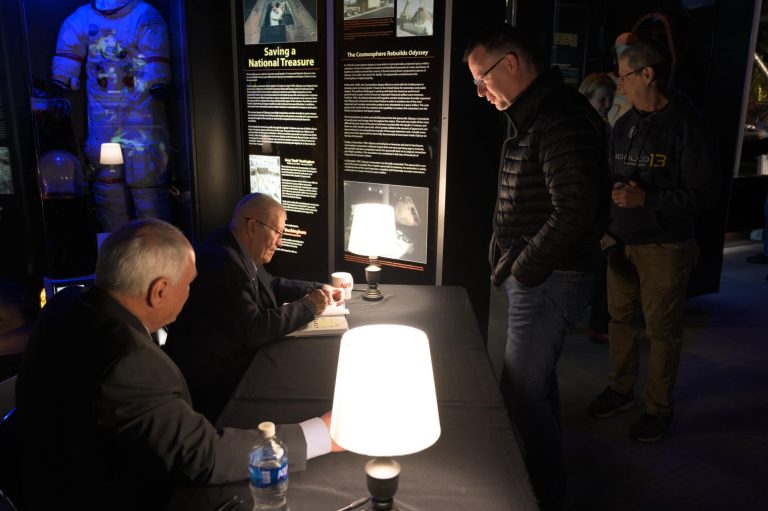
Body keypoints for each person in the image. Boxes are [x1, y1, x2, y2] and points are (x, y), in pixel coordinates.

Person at [15, 219, 339, 510]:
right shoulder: (130, 365)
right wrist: (322, 434)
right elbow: (205, 456)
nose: (191, 292)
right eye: (188, 284)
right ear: (159, 291)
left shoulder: (66, 301)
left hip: (39, 463)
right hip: (99, 493)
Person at [464, 23, 609, 510]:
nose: (480, 91)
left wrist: (524, 267)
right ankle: (548, 481)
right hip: (542, 277)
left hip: (549, 278)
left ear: (510, 62)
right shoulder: (538, 114)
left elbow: (575, 209)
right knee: (537, 386)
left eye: (482, 78)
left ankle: (543, 493)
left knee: (522, 393)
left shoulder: (558, 116)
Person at [587, 39, 719, 443]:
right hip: (620, 243)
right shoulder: (625, 124)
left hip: (665, 246)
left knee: (662, 331)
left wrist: (648, 200)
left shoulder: (688, 125)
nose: (619, 84)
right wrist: (606, 223)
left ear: (648, 74)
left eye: (624, 76)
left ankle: (658, 409)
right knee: (620, 321)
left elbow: (705, 195)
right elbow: (610, 178)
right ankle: (621, 388)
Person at [164, 193, 340, 421]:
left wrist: (315, 288)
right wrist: (308, 306)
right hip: (215, 383)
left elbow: (271, 284)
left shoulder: (234, 247)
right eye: (277, 233)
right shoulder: (224, 264)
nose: (280, 242)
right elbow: (255, 329)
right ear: (252, 226)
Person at [50, 0, 172, 231]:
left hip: (140, 111)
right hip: (104, 115)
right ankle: (115, 243)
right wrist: (61, 81)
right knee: (108, 182)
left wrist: (159, 79)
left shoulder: (144, 15)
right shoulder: (83, 18)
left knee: (146, 180)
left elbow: (156, 56)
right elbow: (68, 54)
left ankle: (157, 244)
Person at [579, 72, 617, 344]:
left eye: (610, 99)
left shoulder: (601, 126)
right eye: (602, 99)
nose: (607, 105)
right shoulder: (592, 128)